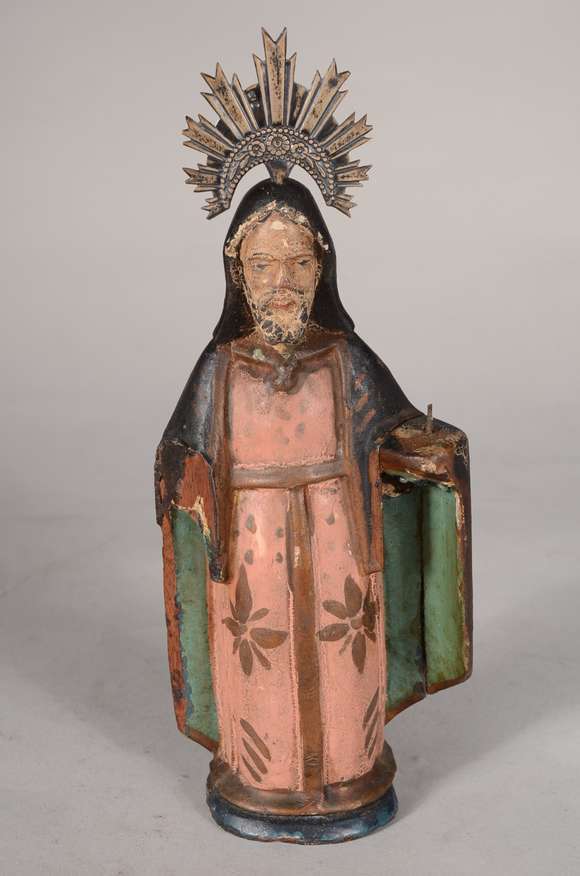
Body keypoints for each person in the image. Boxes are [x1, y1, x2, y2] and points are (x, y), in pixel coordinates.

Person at [155, 177, 472, 842]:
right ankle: (261, 784)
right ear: (237, 272)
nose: (282, 283)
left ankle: (352, 775)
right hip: (251, 562)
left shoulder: (345, 359)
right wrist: (190, 480)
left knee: (345, 667)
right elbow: (177, 459)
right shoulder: (220, 368)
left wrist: (427, 451)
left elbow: (394, 434)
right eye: (262, 265)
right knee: (259, 673)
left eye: (299, 263)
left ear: (322, 268)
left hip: (340, 551)